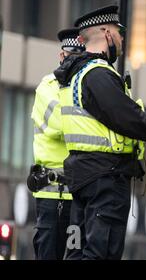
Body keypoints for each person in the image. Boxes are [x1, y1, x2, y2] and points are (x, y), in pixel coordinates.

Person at [54, 5, 146, 260]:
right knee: (102, 251)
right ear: (106, 34)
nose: (122, 38)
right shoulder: (98, 74)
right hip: (105, 177)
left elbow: (109, 113)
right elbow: (122, 115)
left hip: (85, 175)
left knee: (79, 251)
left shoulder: (76, 74)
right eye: (119, 32)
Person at [28, 28, 85, 260]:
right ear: (61, 56)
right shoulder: (47, 87)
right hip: (50, 196)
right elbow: (60, 125)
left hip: (80, 193)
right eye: (70, 56)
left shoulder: (87, 85)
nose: (73, 62)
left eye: (79, 57)